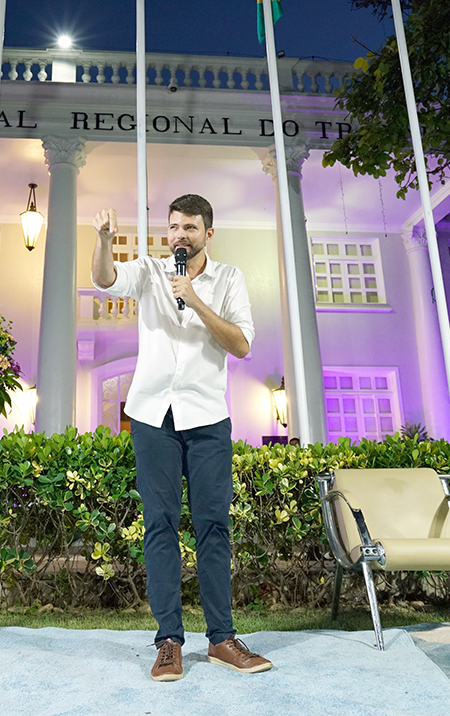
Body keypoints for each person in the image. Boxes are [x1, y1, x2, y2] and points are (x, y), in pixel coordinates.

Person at [91, 194, 273, 682]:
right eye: (173, 227)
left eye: (190, 228)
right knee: (160, 525)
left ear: (207, 233)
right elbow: (104, 278)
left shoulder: (228, 279)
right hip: (153, 415)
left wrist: (196, 300)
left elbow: (241, 344)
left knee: (214, 525)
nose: (179, 236)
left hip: (207, 417)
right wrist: (105, 240)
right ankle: (168, 640)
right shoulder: (150, 271)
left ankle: (222, 639)